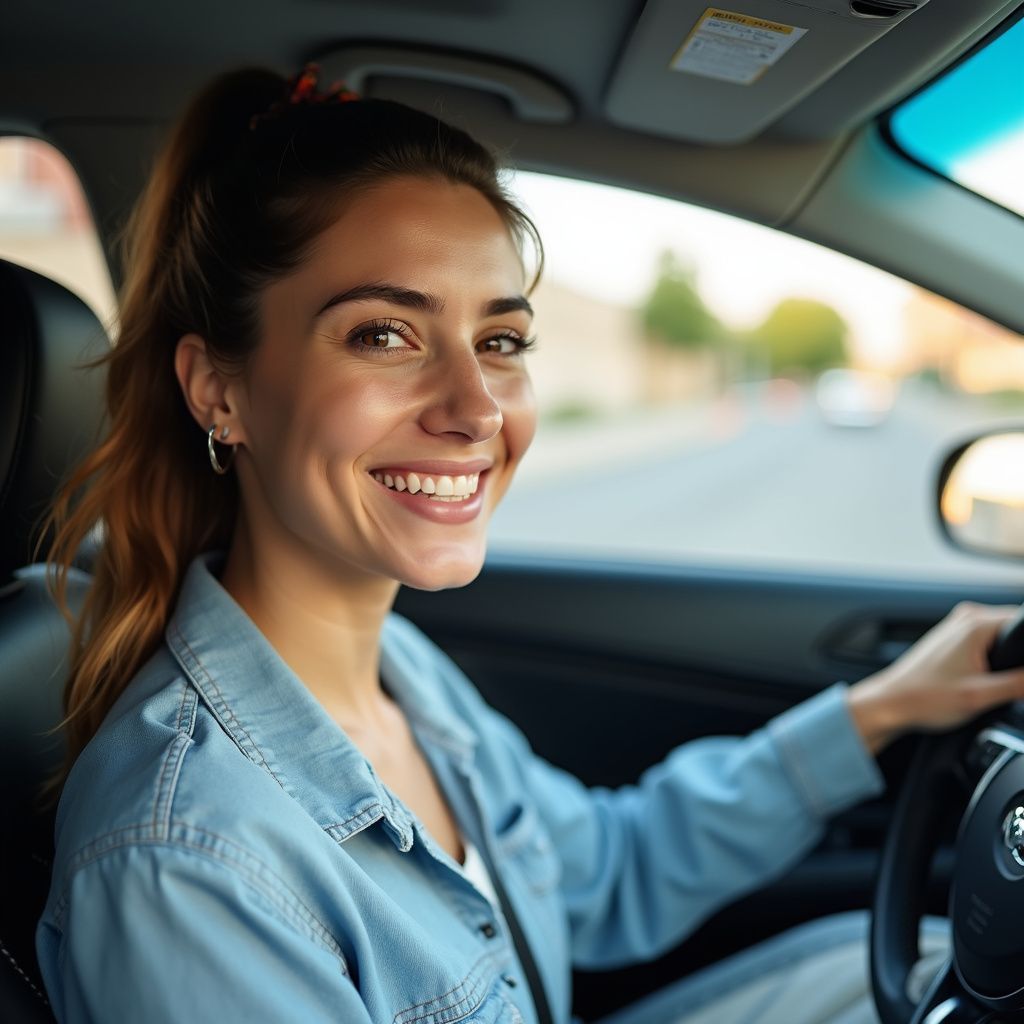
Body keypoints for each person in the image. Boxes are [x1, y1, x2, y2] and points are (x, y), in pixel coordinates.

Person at [36, 65, 1024, 1024]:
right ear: (218, 389)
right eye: (385, 334)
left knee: (916, 962)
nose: (475, 409)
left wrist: (883, 706)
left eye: (500, 342)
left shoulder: (398, 675)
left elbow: (606, 870)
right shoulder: (189, 859)